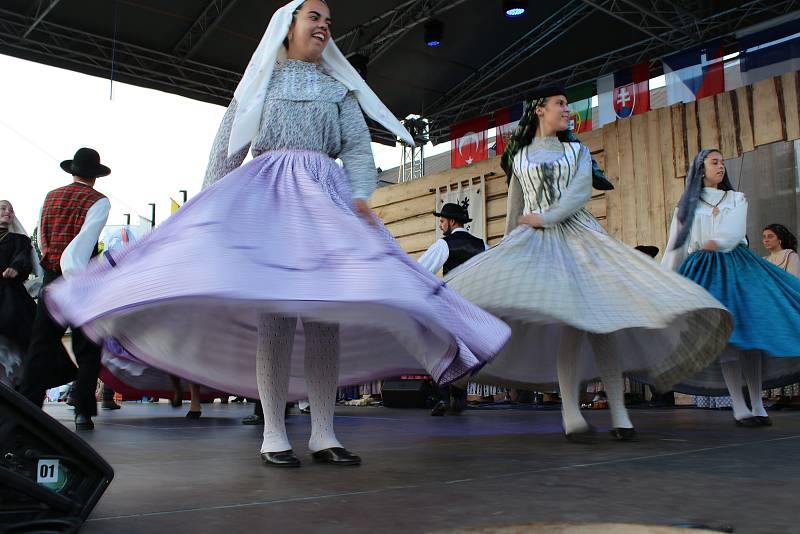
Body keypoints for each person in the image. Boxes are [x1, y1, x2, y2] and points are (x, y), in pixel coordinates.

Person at [44, 0, 509, 467]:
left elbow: (358, 154)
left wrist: (362, 196)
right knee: (277, 316)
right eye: (314, 17)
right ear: (287, 27)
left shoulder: (340, 89)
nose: (325, 26)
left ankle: (325, 433)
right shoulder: (258, 85)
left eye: (329, 21)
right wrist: (209, 214)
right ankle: (273, 432)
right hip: (270, 202)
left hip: (324, 204)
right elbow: (227, 152)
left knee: (324, 319)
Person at [445, 86, 732, 443]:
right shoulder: (518, 157)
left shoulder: (576, 151)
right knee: (574, 323)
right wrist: (505, 254)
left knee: (603, 323)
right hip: (540, 245)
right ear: (539, 109)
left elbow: (580, 192)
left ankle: (620, 413)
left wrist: (546, 218)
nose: (567, 110)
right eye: (560, 104)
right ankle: (571, 413)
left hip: (582, 239)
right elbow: (515, 211)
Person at [662, 149, 800, 427]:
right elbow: (675, 247)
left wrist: (713, 244)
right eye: (715, 162)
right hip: (705, 271)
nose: (721, 166)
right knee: (728, 339)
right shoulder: (685, 207)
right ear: (700, 169)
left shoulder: (736, 199)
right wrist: (664, 280)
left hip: (738, 266)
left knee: (749, 337)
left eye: (723, 162)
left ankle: (758, 403)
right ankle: (739, 404)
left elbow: (734, 232)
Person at [18, 148, 111, 430]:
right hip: (81, 280)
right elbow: (84, 242)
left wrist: (51, 265)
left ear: (72, 170)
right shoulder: (99, 201)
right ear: (95, 176)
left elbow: (42, 236)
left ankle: (28, 408)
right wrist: (76, 276)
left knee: (41, 346)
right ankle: (82, 410)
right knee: (88, 347)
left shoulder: (50, 196)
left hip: (50, 278)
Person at [418, 202, 488, 416]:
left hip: (452, 305)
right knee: (464, 352)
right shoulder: (482, 244)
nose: (441, 225)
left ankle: (443, 398)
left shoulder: (444, 244)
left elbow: (421, 269)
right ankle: (459, 398)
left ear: (452, 221)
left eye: (442, 221)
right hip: (475, 306)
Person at [0, 200, 37, 386]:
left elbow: (24, 259)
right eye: (3, 208)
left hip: (10, 298)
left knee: (9, 350)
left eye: (11, 210)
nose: (8, 212)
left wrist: (15, 268)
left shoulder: (19, 240)